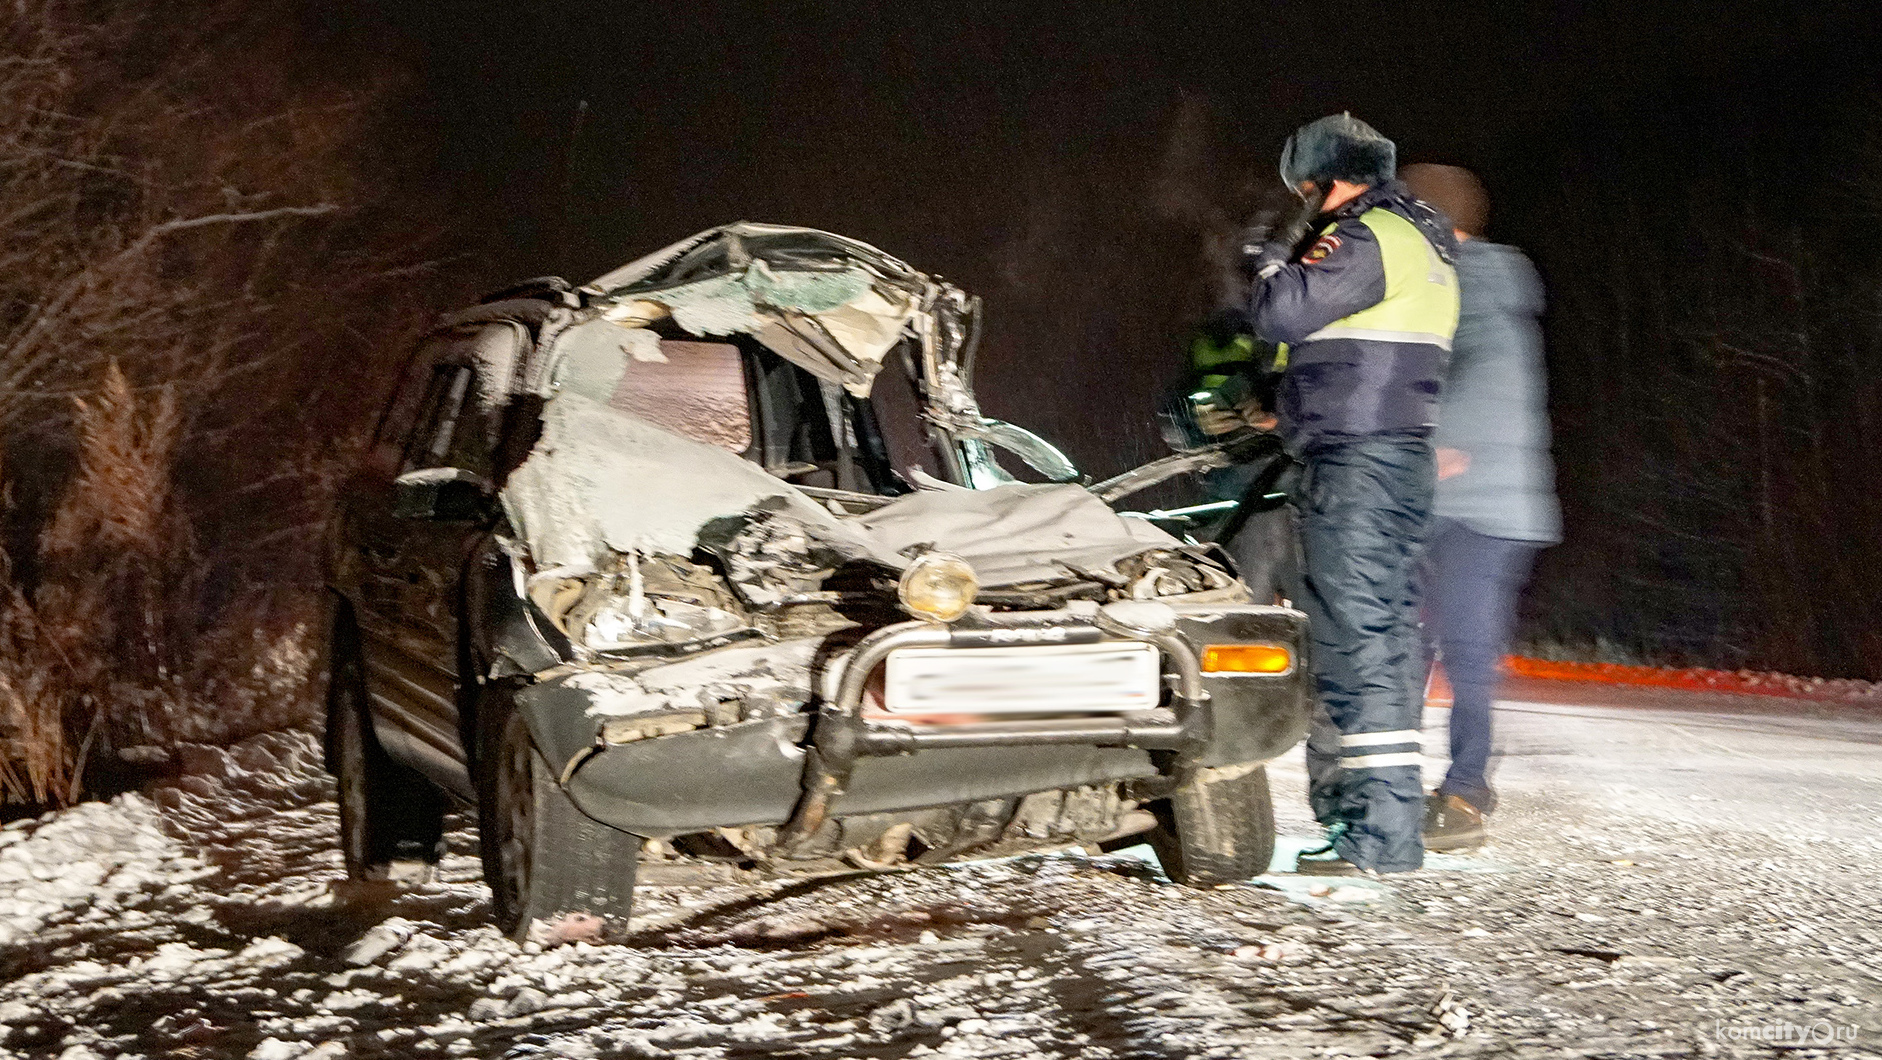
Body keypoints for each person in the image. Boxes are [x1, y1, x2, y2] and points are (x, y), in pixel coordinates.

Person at [1242, 113, 1459, 875]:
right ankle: (1383, 825)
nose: (1303, 201)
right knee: (1386, 642)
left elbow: (1283, 311)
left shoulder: (1366, 237)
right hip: (1395, 460)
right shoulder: (1424, 240)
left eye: (1305, 187)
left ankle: (1372, 839)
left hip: (1355, 468)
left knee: (1353, 641)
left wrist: (1270, 261)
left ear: (1328, 177)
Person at [1398, 164, 1561, 851]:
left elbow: (1493, 371)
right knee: (1411, 648)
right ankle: (1398, 788)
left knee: (1458, 651)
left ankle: (1464, 794)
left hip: (1479, 510)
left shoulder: (1477, 278)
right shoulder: (1452, 278)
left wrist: (1445, 440)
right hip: (1454, 504)